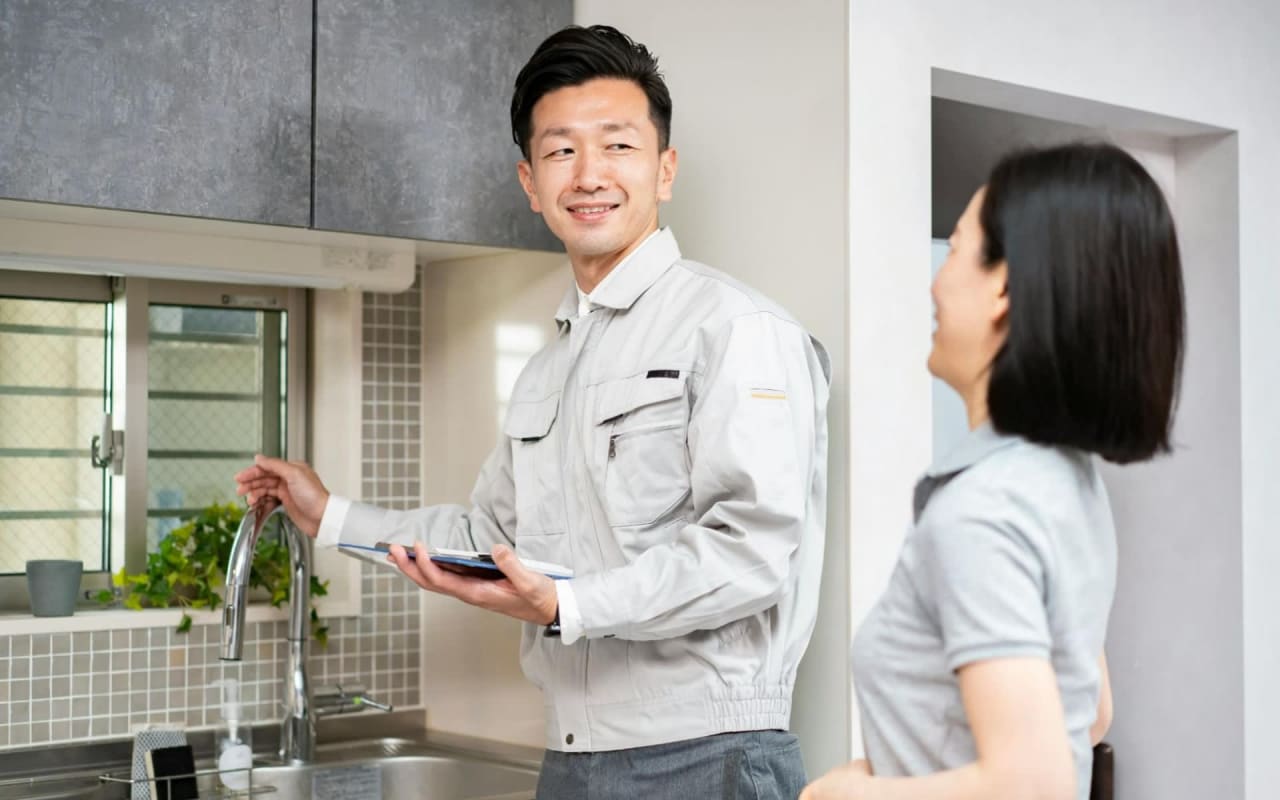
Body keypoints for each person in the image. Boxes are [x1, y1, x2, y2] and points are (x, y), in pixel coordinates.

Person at [236, 24, 831, 800]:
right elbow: (490, 541)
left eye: (617, 146)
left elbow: (752, 554)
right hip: (573, 758)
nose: (589, 175)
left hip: (705, 755)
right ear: (529, 181)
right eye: (560, 152)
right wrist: (333, 517)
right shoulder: (550, 365)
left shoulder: (737, 329)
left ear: (665, 169)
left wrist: (569, 603)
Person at [802, 142, 1183, 800]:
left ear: (1003, 287)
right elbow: (1089, 712)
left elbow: (1031, 785)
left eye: (953, 250)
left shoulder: (983, 511)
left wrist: (840, 795)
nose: (935, 280)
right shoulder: (1063, 481)